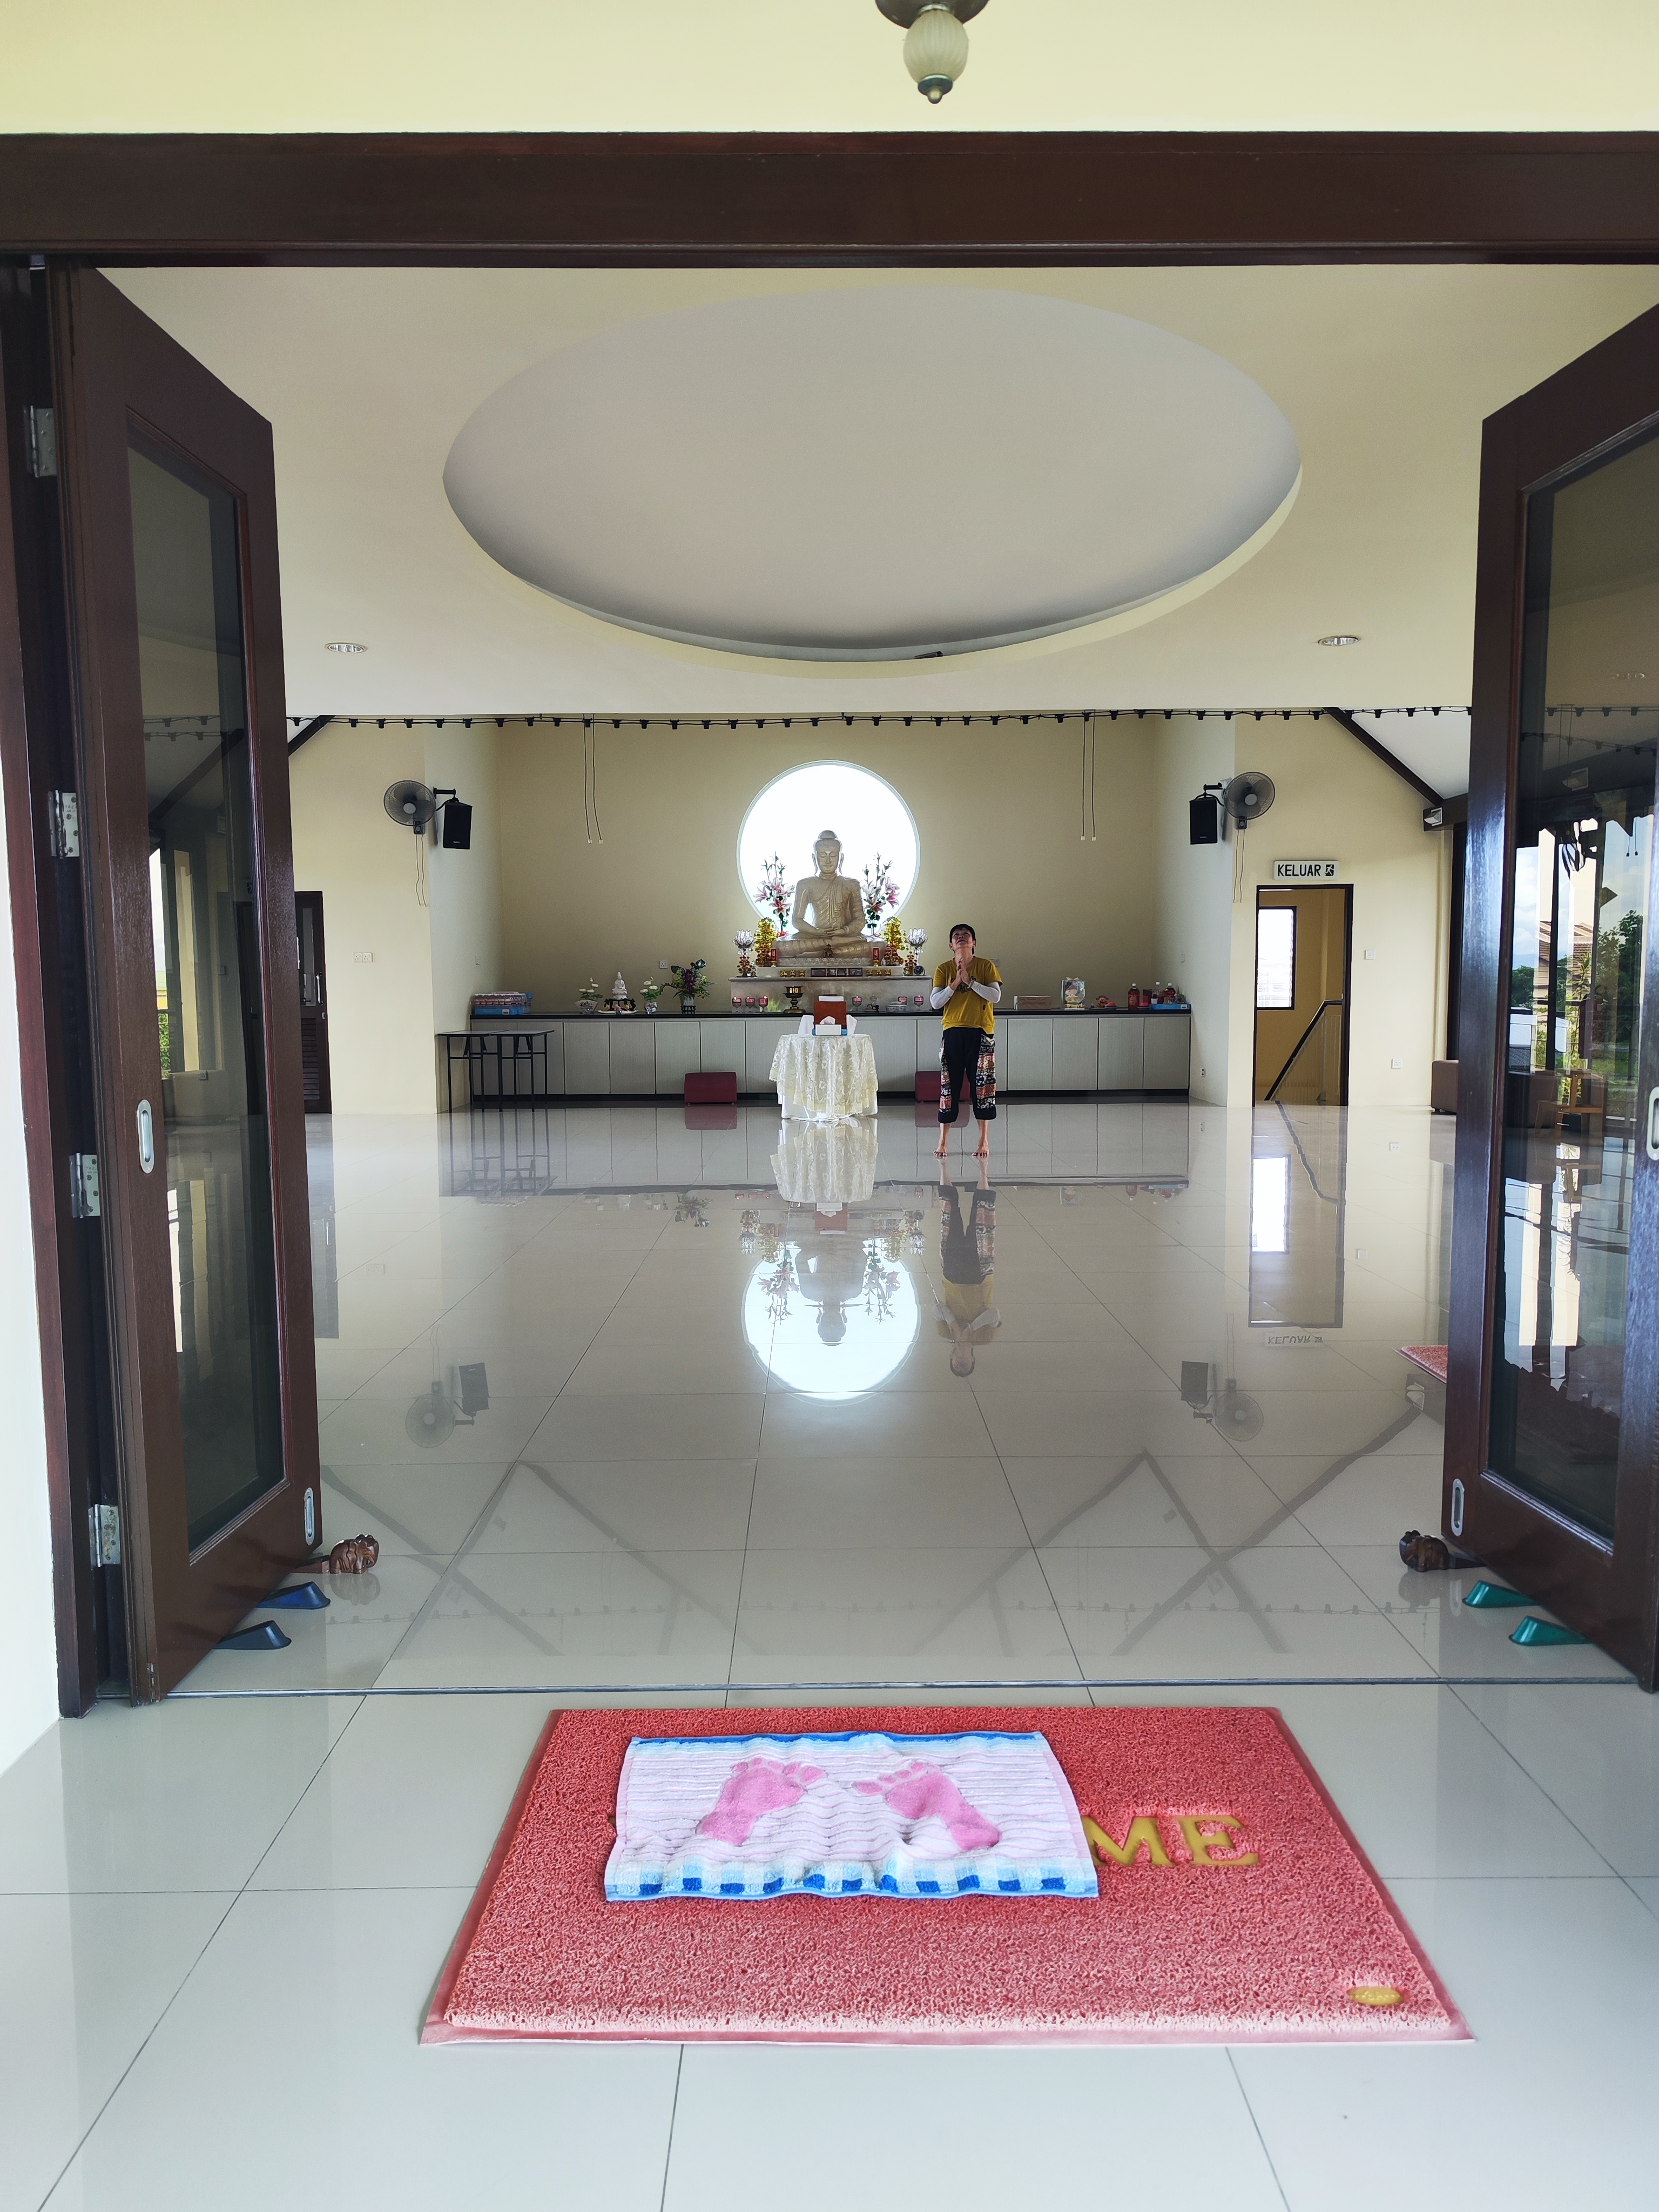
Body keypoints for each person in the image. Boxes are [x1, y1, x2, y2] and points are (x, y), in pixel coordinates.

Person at [931, 922, 1000, 1159]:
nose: (961, 937)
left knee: (983, 1088)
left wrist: (971, 982)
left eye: (966, 935)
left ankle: (983, 1141)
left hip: (981, 1033)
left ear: (974, 943)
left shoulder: (986, 966)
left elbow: (995, 996)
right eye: (957, 936)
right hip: (953, 1032)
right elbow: (936, 1003)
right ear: (951, 945)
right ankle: (943, 1141)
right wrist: (955, 983)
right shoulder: (943, 969)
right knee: (949, 1087)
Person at [934, 1155, 999, 1376]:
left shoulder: (946, 1333)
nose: (961, 1362)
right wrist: (970, 1330)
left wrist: (954, 1326)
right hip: (978, 1274)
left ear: (952, 1357)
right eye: (966, 1365)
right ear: (973, 1359)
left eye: (956, 1364)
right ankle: (983, 1167)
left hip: (952, 1274)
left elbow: (937, 1309)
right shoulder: (984, 1339)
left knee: (949, 1215)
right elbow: (994, 1315)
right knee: (982, 1215)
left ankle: (943, 1167)